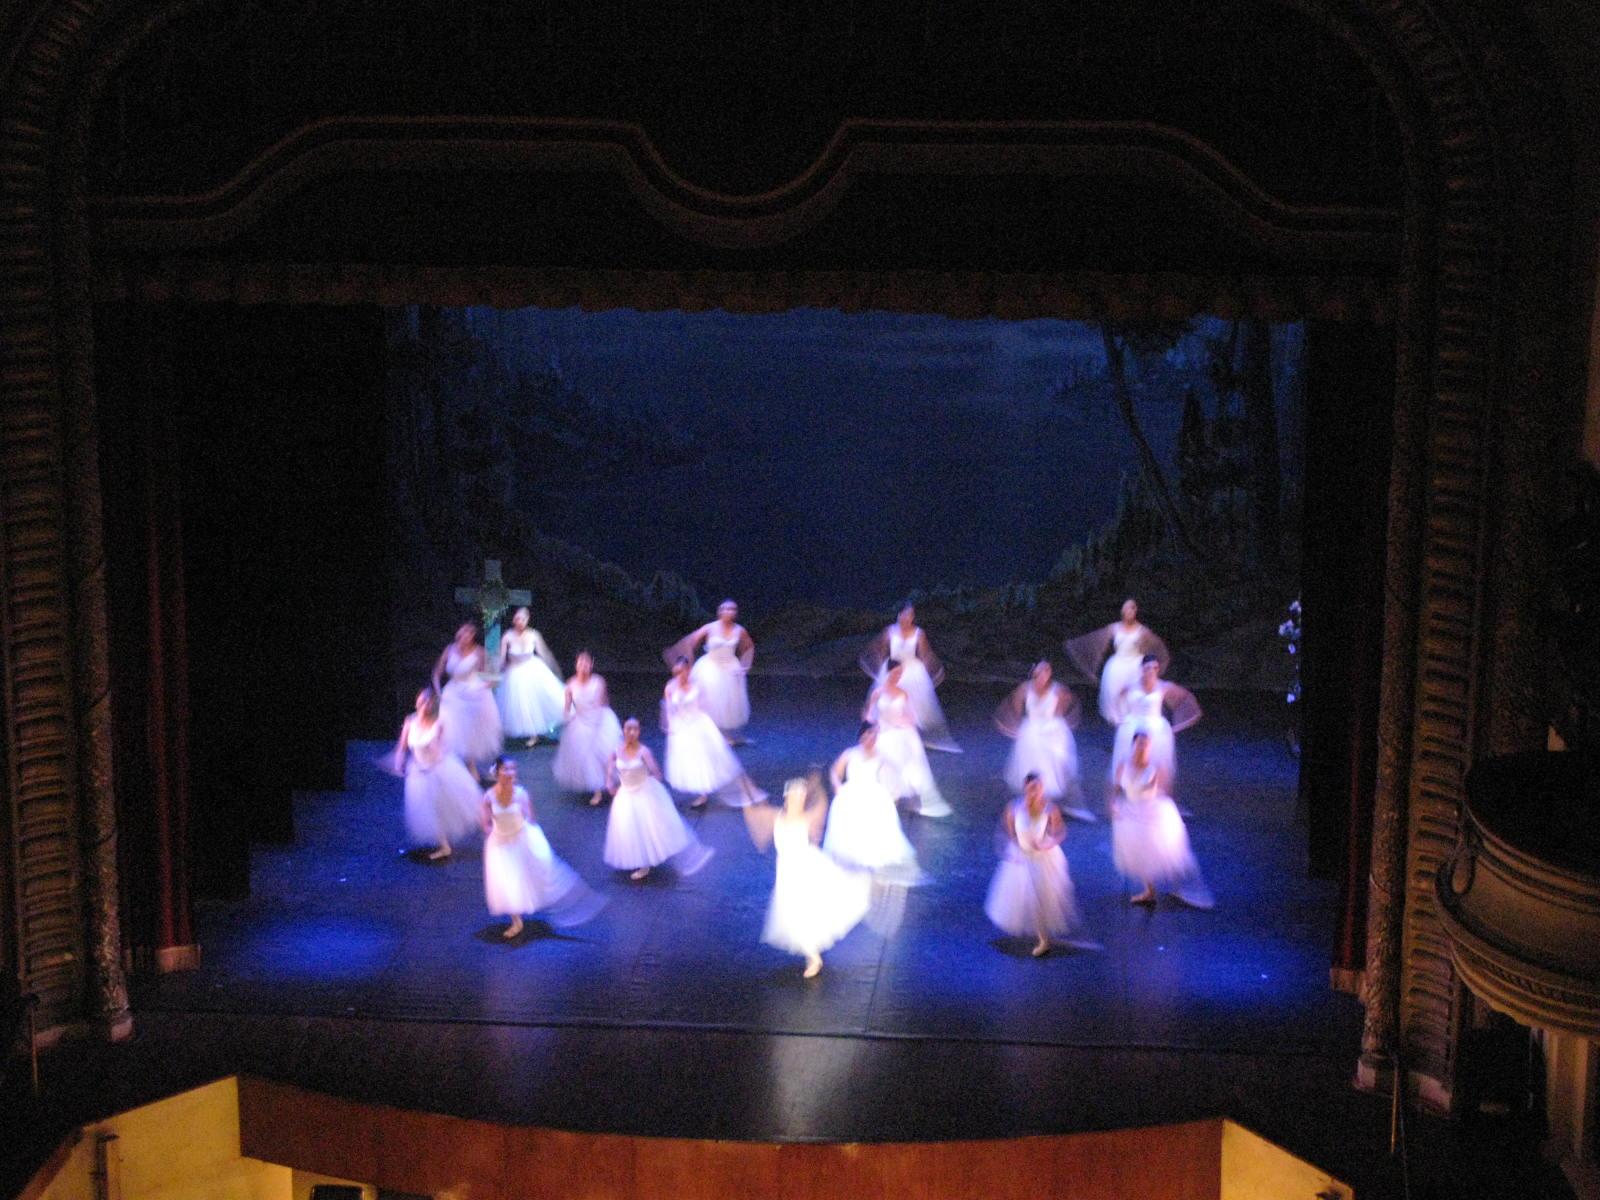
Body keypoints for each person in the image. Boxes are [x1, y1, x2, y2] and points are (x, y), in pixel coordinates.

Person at [748, 776, 872, 979]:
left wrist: (817, 786)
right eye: (793, 798)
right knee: (792, 913)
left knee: (803, 912)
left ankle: (813, 956)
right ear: (787, 799)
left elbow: (821, 805)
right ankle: (811, 954)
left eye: (800, 798)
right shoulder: (776, 817)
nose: (797, 802)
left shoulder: (806, 819)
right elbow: (756, 815)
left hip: (805, 869)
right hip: (786, 872)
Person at [480, 757, 604, 938]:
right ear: (497, 772)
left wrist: (529, 838)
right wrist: (495, 834)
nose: (510, 773)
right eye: (506, 769)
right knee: (507, 880)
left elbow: (530, 818)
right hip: (501, 844)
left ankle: (572, 901)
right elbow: (485, 823)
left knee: (537, 874)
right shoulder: (489, 796)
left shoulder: (521, 794)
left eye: (513, 769)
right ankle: (516, 920)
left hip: (521, 839)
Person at [1111, 730, 1213, 909]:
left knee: (1164, 853)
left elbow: (1163, 790)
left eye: (1146, 744)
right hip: (1131, 813)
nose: (1143, 747)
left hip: (1151, 812)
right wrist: (1113, 804)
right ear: (1133, 745)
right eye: (1140, 743)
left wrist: (1151, 791)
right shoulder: (1123, 765)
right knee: (1140, 853)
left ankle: (1177, 885)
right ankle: (1149, 891)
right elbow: (1116, 788)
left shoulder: (1156, 767)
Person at [604, 717, 713, 881]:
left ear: (639, 732)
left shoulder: (644, 752)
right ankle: (639, 859)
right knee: (630, 828)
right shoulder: (616, 751)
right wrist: (609, 782)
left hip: (642, 793)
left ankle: (645, 864)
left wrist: (647, 783)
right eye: (628, 728)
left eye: (635, 729)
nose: (631, 732)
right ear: (623, 730)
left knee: (647, 828)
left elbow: (656, 773)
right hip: (625, 795)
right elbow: (611, 767)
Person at [984, 773, 1081, 957]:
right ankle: (1038, 934)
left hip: (1042, 858)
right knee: (1025, 896)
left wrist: (1047, 844)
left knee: (1040, 898)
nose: (1035, 792)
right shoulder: (1014, 808)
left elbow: (1060, 832)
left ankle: (1044, 940)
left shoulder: (1050, 809)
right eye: (1031, 789)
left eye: (1038, 788)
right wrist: (1014, 851)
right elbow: (1009, 832)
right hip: (1022, 858)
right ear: (1025, 789)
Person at [662, 656, 765, 808]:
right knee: (690, 760)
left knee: (707, 758)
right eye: (677, 672)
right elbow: (669, 708)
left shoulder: (696, 685)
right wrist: (672, 724)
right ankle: (700, 791)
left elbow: (704, 705)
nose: (680, 675)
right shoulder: (670, 687)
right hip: (681, 727)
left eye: (683, 671)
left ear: (688, 670)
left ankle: (714, 792)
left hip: (697, 723)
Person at [822, 722, 921, 879]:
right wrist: (837, 786)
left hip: (873, 793)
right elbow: (835, 772)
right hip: (851, 793)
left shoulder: (881, 754)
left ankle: (871, 859)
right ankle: (851, 857)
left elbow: (896, 771)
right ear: (862, 736)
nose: (872, 739)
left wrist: (894, 793)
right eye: (869, 735)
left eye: (874, 736)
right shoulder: (850, 753)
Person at [995, 660, 1090, 821]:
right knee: (1033, 767)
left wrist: (1054, 727)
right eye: (1039, 673)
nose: (1042, 677)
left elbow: (1063, 711)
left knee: (1060, 767)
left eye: (1045, 673)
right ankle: (1034, 804)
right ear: (1034, 674)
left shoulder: (1058, 690)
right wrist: (1014, 726)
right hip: (1031, 732)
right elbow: (1015, 709)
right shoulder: (1025, 689)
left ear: (1049, 674)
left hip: (1052, 730)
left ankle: (1061, 804)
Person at [393, 687, 480, 860]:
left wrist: (436, 755)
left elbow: (444, 747)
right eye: (422, 701)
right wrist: (398, 763)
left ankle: (446, 845)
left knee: (441, 807)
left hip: (438, 770)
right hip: (418, 773)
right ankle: (444, 845)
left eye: (428, 702)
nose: (425, 705)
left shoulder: (439, 724)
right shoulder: (410, 722)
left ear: (432, 704)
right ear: (417, 703)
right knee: (428, 809)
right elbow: (401, 747)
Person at [859, 604, 957, 751]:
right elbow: (881, 651)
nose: (906, 618)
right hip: (893, 668)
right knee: (887, 700)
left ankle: (911, 736)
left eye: (910, 615)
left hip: (912, 670)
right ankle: (884, 733)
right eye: (904, 614)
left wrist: (930, 673)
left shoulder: (918, 633)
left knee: (914, 704)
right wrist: (883, 671)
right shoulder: (890, 631)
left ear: (913, 617)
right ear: (899, 615)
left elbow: (925, 654)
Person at [865, 660, 951, 817]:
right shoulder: (877, 693)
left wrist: (904, 721)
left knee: (912, 765)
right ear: (888, 673)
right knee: (885, 766)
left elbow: (910, 716)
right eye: (895, 673)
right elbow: (870, 717)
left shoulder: (903, 693)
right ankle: (888, 798)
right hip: (885, 733)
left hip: (902, 732)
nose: (898, 676)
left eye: (900, 673)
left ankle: (913, 798)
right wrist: (876, 722)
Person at [1063, 598, 1170, 725]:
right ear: (1122, 611)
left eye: (1132, 608)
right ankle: (1121, 728)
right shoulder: (1114, 628)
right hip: (1117, 667)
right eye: (1127, 608)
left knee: (1134, 697)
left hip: (1135, 667)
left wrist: (1156, 665)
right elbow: (1096, 641)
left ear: (1135, 611)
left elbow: (1156, 646)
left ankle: (1135, 725)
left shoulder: (1142, 630)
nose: (1129, 611)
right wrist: (1074, 645)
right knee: (1116, 699)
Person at [664, 600, 755, 739]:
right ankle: (703, 732)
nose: (728, 611)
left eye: (732, 609)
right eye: (725, 608)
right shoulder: (710, 628)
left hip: (730, 668)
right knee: (708, 700)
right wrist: (687, 665)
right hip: (710, 668)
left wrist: (744, 665)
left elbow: (749, 647)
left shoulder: (739, 630)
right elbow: (691, 642)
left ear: (736, 613)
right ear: (719, 611)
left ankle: (723, 735)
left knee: (727, 704)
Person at [1108, 655, 1202, 788]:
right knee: (1129, 758)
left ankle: (1153, 789)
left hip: (1155, 727)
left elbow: (1185, 698)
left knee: (1155, 760)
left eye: (1155, 668)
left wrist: (1180, 724)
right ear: (1142, 669)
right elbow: (1116, 698)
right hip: (1132, 726)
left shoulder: (1163, 686)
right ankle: (1128, 786)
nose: (1151, 671)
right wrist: (1118, 717)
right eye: (1148, 668)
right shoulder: (1132, 685)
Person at [552, 651, 623, 805]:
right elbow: (567, 707)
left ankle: (618, 782)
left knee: (605, 754)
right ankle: (597, 790)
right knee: (587, 758)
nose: (583, 666)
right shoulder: (571, 684)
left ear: (591, 665)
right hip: (580, 721)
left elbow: (600, 704)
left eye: (586, 663)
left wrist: (594, 726)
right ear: (576, 665)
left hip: (599, 720)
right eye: (580, 663)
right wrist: (566, 719)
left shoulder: (598, 681)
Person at [433, 622, 502, 773]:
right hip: (452, 694)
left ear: (473, 636)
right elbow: (437, 673)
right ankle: (454, 765)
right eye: (464, 632)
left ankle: (471, 764)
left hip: (473, 693)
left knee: (471, 730)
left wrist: (481, 688)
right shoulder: (449, 650)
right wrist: (438, 692)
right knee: (451, 729)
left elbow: (492, 677)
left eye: (469, 633)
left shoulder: (479, 651)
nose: (465, 635)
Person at [496, 607, 566, 747]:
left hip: (533, 670)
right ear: (514, 620)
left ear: (527, 620)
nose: (520, 622)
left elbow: (543, 653)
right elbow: (501, 658)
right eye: (518, 619)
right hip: (515, 673)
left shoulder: (534, 634)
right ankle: (528, 732)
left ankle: (536, 733)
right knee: (521, 704)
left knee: (537, 701)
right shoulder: (508, 636)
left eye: (523, 619)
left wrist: (554, 670)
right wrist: (497, 670)